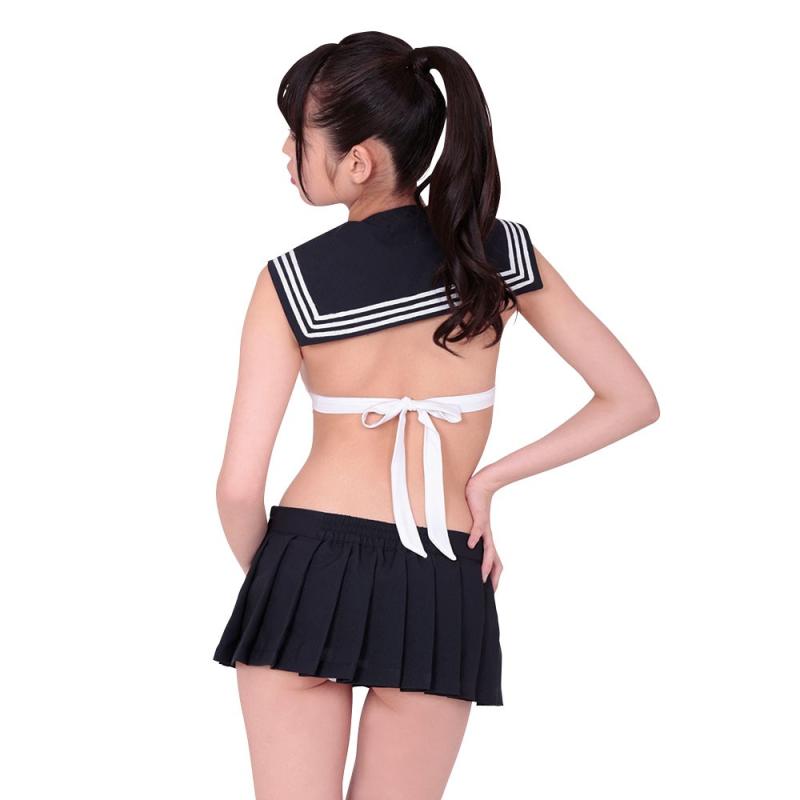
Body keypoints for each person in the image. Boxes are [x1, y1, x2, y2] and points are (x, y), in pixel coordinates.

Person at [212, 31, 660, 800]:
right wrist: (486, 481)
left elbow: (235, 489)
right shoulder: (497, 256)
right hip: (439, 571)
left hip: (307, 557)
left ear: (359, 161)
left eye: (298, 136)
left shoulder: (291, 281)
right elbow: (631, 399)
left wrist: (286, 585)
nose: (286, 151)